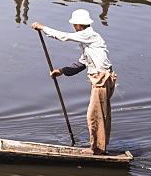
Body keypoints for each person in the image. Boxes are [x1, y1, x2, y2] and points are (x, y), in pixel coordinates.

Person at [32, 9, 116, 155]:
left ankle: (97, 150)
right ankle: (100, 146)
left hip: (101, 80)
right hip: (101, 79)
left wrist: (43, 28)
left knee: (95, 115)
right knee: (100, 114)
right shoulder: (90, 41)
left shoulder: (88, 35)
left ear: (77, 25)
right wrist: (62, 71)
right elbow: (82, 63)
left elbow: (64, 36)